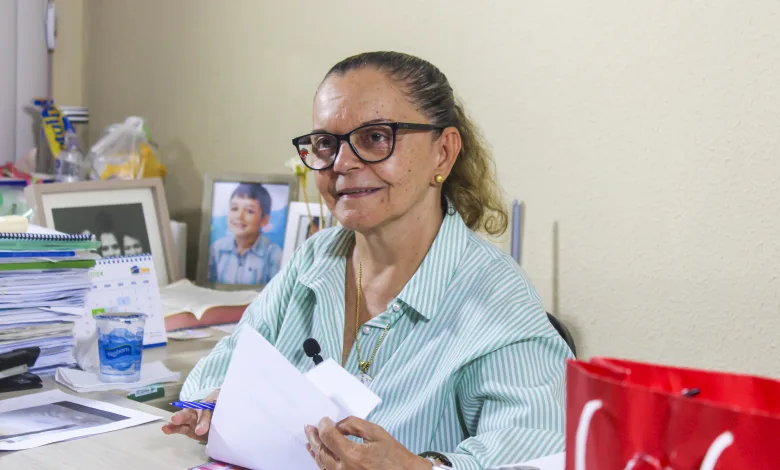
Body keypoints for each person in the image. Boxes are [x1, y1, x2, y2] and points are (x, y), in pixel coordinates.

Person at [164, 51, 571, 469]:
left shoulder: (494, 295)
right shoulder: (316, 259)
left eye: (376, 137)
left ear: (443, 154)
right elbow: (223, 364)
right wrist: (212, 405)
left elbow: (542, 450)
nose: (341, 163)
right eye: (325, 144)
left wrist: (420, 468)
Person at [208, 183, 282, 285]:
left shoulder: (274, 254)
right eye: (234, 209)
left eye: (249, 211)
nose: (239, 216)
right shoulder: (216, 249)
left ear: (264, 220)